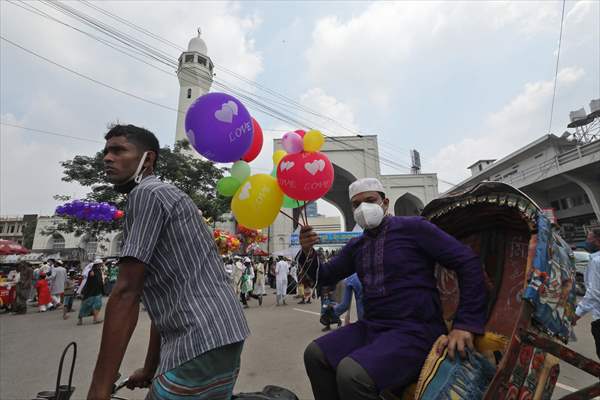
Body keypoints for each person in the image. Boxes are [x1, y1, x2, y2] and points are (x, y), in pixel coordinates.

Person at [88, 124, 249, 400]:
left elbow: (126, 292)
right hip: (221, 333)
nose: (108, 158)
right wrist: (150, 369)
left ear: (147, 159)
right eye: (106, 151)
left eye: (118, 150)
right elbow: (164, 300)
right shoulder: (165, 194)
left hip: (200, 337)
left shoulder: (146, 195)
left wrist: (99, 389)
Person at [299, 178, 487, 399]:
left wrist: (465, 323)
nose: (363, 209)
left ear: (385, 202)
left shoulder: (415, 228)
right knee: (315, 355)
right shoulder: (356, 246)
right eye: (356, 204)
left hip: (416, 330)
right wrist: (308, 252)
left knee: (352, 374)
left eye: (370, 200)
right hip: (373, 327)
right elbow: (325, 276)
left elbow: (467, 261)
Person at [573, 228, 600, 360]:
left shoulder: (596, 261)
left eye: (590, 239)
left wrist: (576, 315)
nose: (587, 242)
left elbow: (593, 294)